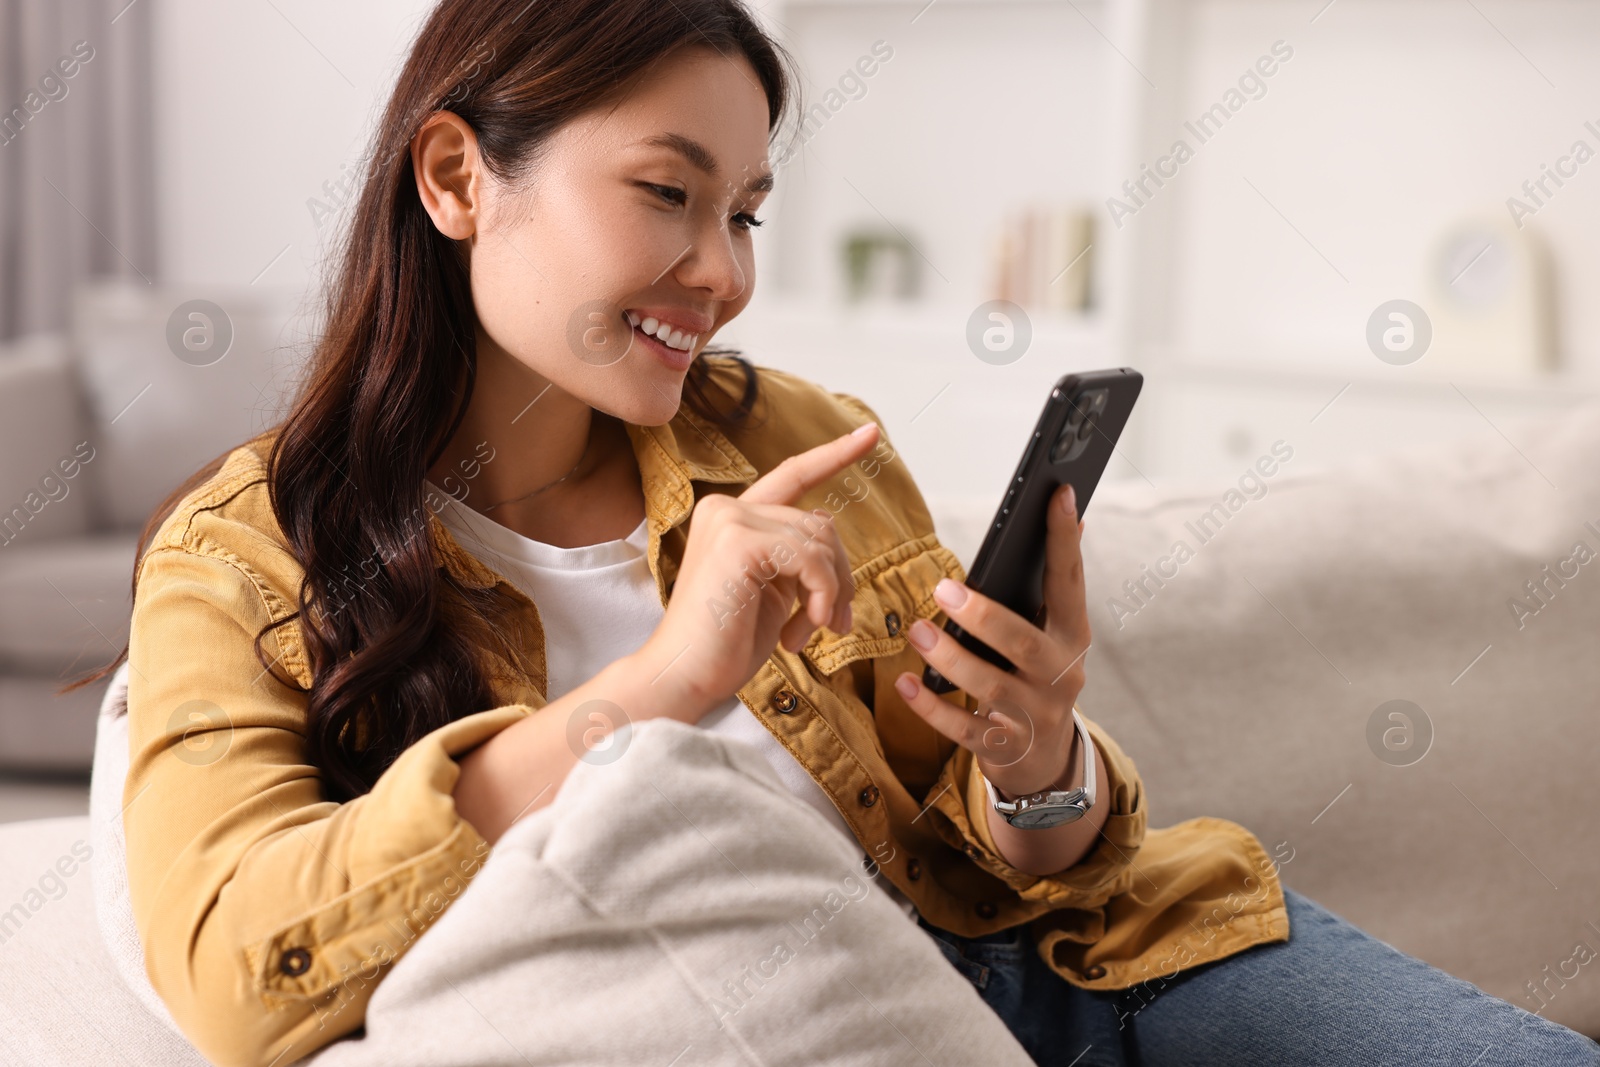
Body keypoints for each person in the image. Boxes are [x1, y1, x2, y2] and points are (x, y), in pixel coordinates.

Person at [65, 1, 1600, 1065]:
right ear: (461, 178)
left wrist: (1034, 757)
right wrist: (668, 679)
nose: (719, 272)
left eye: (743, 212)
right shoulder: (248, 552)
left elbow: (1035, 867)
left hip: (1106, 967)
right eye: (668, 193)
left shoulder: (788, 438)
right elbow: (236, 972)